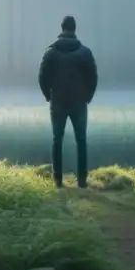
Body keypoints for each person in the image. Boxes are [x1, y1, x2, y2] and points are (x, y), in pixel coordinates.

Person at [38, 15, 98, 188]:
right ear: (74, 29)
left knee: (57, 140)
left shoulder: (51, 52)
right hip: (79, 102)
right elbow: (93, 77)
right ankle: (82, 180)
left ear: (62, 28)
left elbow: (42, 77)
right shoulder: (85, 53)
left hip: (58, 102)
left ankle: (57, 180)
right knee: (81, 141)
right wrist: (88, 96)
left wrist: (48, 95)